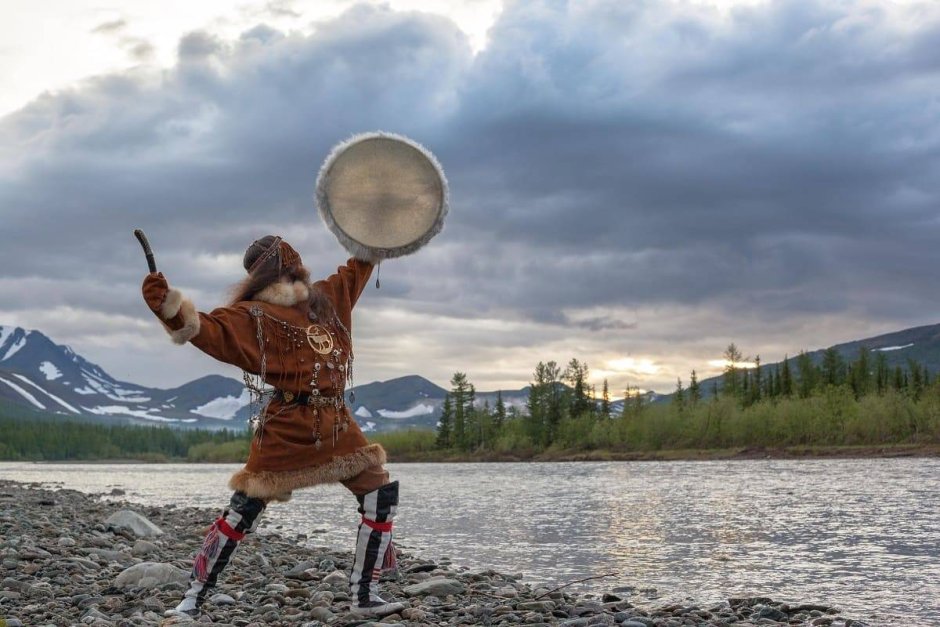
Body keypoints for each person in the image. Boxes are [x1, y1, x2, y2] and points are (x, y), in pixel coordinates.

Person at [141, 235, 403, 619]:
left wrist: (376, 230)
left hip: (334, 424)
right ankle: (192, 598)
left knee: (379, 493)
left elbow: (359, 265)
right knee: (243, 510)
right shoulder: (252, 316)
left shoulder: (326, 299)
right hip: (285, 428)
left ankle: (365, 595)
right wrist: (168, 306)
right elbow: (205, 329)